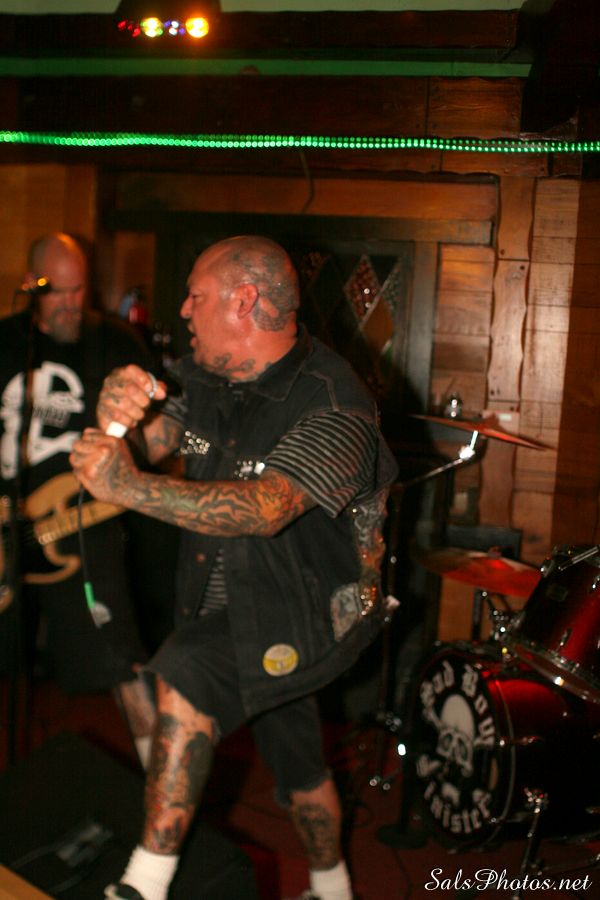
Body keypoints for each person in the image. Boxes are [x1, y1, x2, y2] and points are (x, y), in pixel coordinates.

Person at [69, 235, 398, 900]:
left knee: (185, 674)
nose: (184, 310)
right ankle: (334, 890)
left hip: (308, 610)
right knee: (299, 764)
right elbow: (153, 442)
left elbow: (265, 509)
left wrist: (127, 488)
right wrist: (118, 417)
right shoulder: (205, 376)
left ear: (243, 301)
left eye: (197, 295)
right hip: (227, 601)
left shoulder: (336, 403)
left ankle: (143, 886)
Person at [0, 232, 155, 766]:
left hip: (84, 523)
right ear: (31, 285)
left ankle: (161, 782)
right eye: (57, 292)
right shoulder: (5, 341)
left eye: (78, 289)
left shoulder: (112, 343)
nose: (70, 303)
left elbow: (158, 433)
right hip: (6, 525)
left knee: (121, 656)